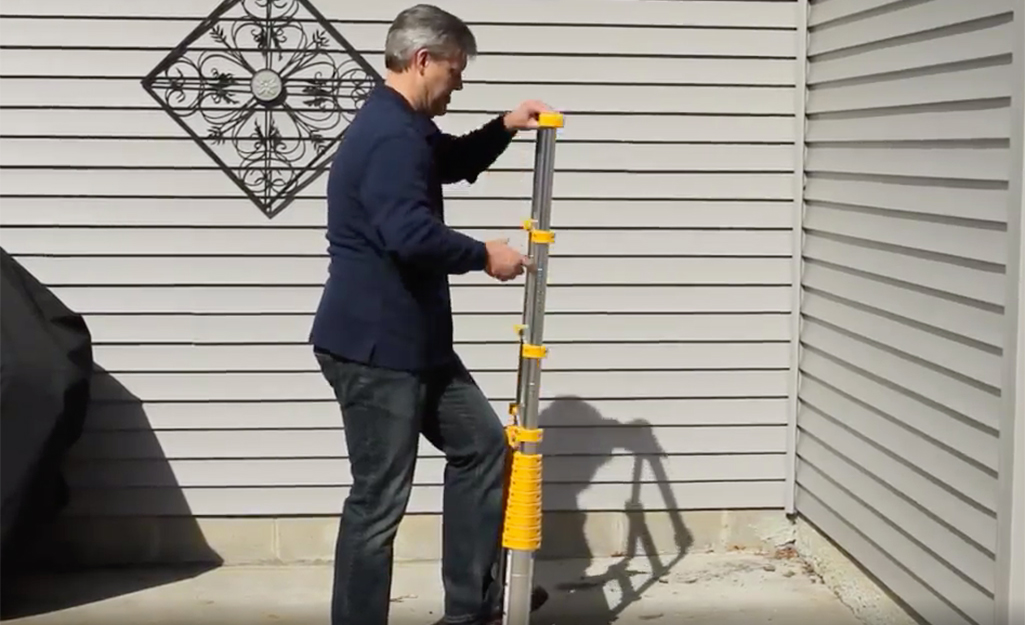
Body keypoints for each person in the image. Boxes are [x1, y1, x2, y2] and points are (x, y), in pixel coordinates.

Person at [309, 4, 554, 625]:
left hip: (414, 342)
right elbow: (409, 235)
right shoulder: (390, 134)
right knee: (379, 501)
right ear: (423, 61)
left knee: (479, 446)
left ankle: (469, 608)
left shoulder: (401, 123)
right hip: (374, 348)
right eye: (456, 69)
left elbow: (447, 162)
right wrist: (485, 255)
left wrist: (504, 125)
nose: (460, 82)